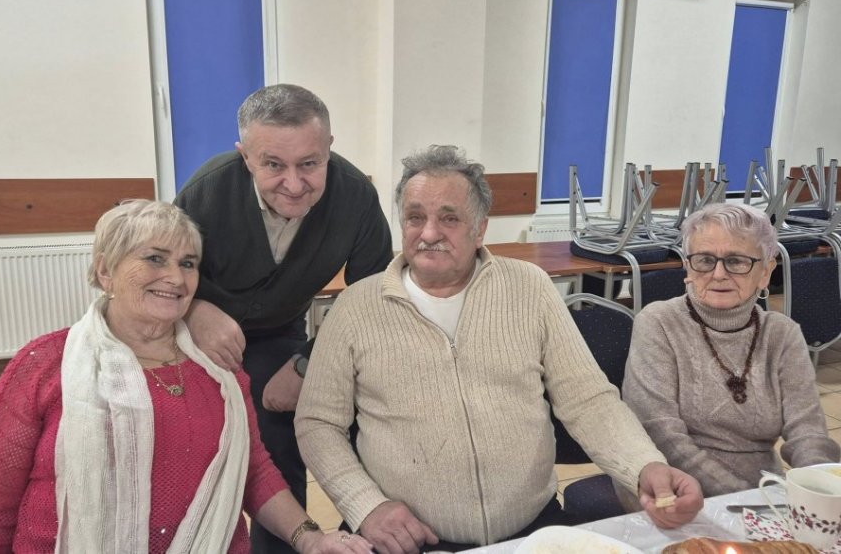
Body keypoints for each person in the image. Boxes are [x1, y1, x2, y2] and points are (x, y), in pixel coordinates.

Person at [294, 145, 704, 553]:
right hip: (408, 541)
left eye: (449, 218)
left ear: (480, 229)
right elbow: (318, 422)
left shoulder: (530, 287)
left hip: (532, 531)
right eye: (415, 217)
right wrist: (366, 506)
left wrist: (643, 465)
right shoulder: (356, 308)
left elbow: (587, 399)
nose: (429, 233)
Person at [0, 200, 372, 554]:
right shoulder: (44, 366)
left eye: (187, 263)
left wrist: (310, 539)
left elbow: (253, 471)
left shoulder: (218, 369)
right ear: (106, 271)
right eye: (155, 258)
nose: (176, 278)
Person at [175, 84, 393, 553]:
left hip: (279, 333)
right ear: (245, 157)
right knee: (191, 447)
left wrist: (309, 363)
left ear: (328, 148)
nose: (294, 184)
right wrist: (194, 310)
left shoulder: (356, 197)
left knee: (282, 433)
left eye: (309, 164)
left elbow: (374, 298)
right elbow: (161, 275)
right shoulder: (205, 192)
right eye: (273, 165)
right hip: (193, 333)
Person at [622, 202, 840, 499]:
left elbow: (808, 433)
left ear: (765, 272)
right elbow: (662, 435)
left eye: (736, 261)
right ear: (688, 267)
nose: (719, 274)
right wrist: (744, 498)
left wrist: (820, 490)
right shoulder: (659, 322)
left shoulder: (782, 334)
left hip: (762, 491)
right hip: (676, 490)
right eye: (704, 260)